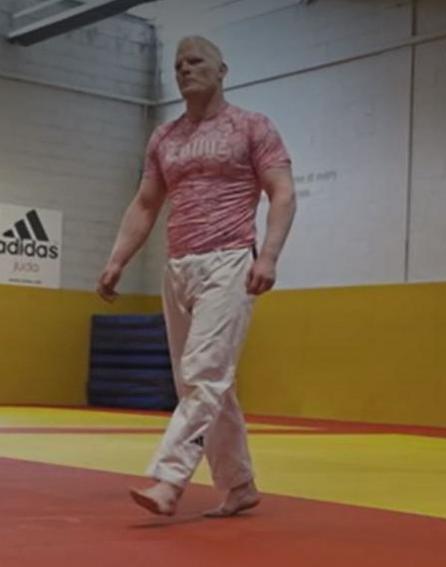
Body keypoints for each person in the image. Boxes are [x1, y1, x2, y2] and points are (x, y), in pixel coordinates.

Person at [96, 35, 296, 517]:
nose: (185, 69)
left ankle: (169, 478)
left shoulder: (252, 126)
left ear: (222, 70)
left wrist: (267, 257)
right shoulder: (164, 137)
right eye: (179, 64)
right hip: (178, 266)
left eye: (196, 61)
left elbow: (282, 193)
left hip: (230, 261)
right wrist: (117, 259)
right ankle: (240, 484)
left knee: (204, 375)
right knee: (204, 386)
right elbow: (146, 204)